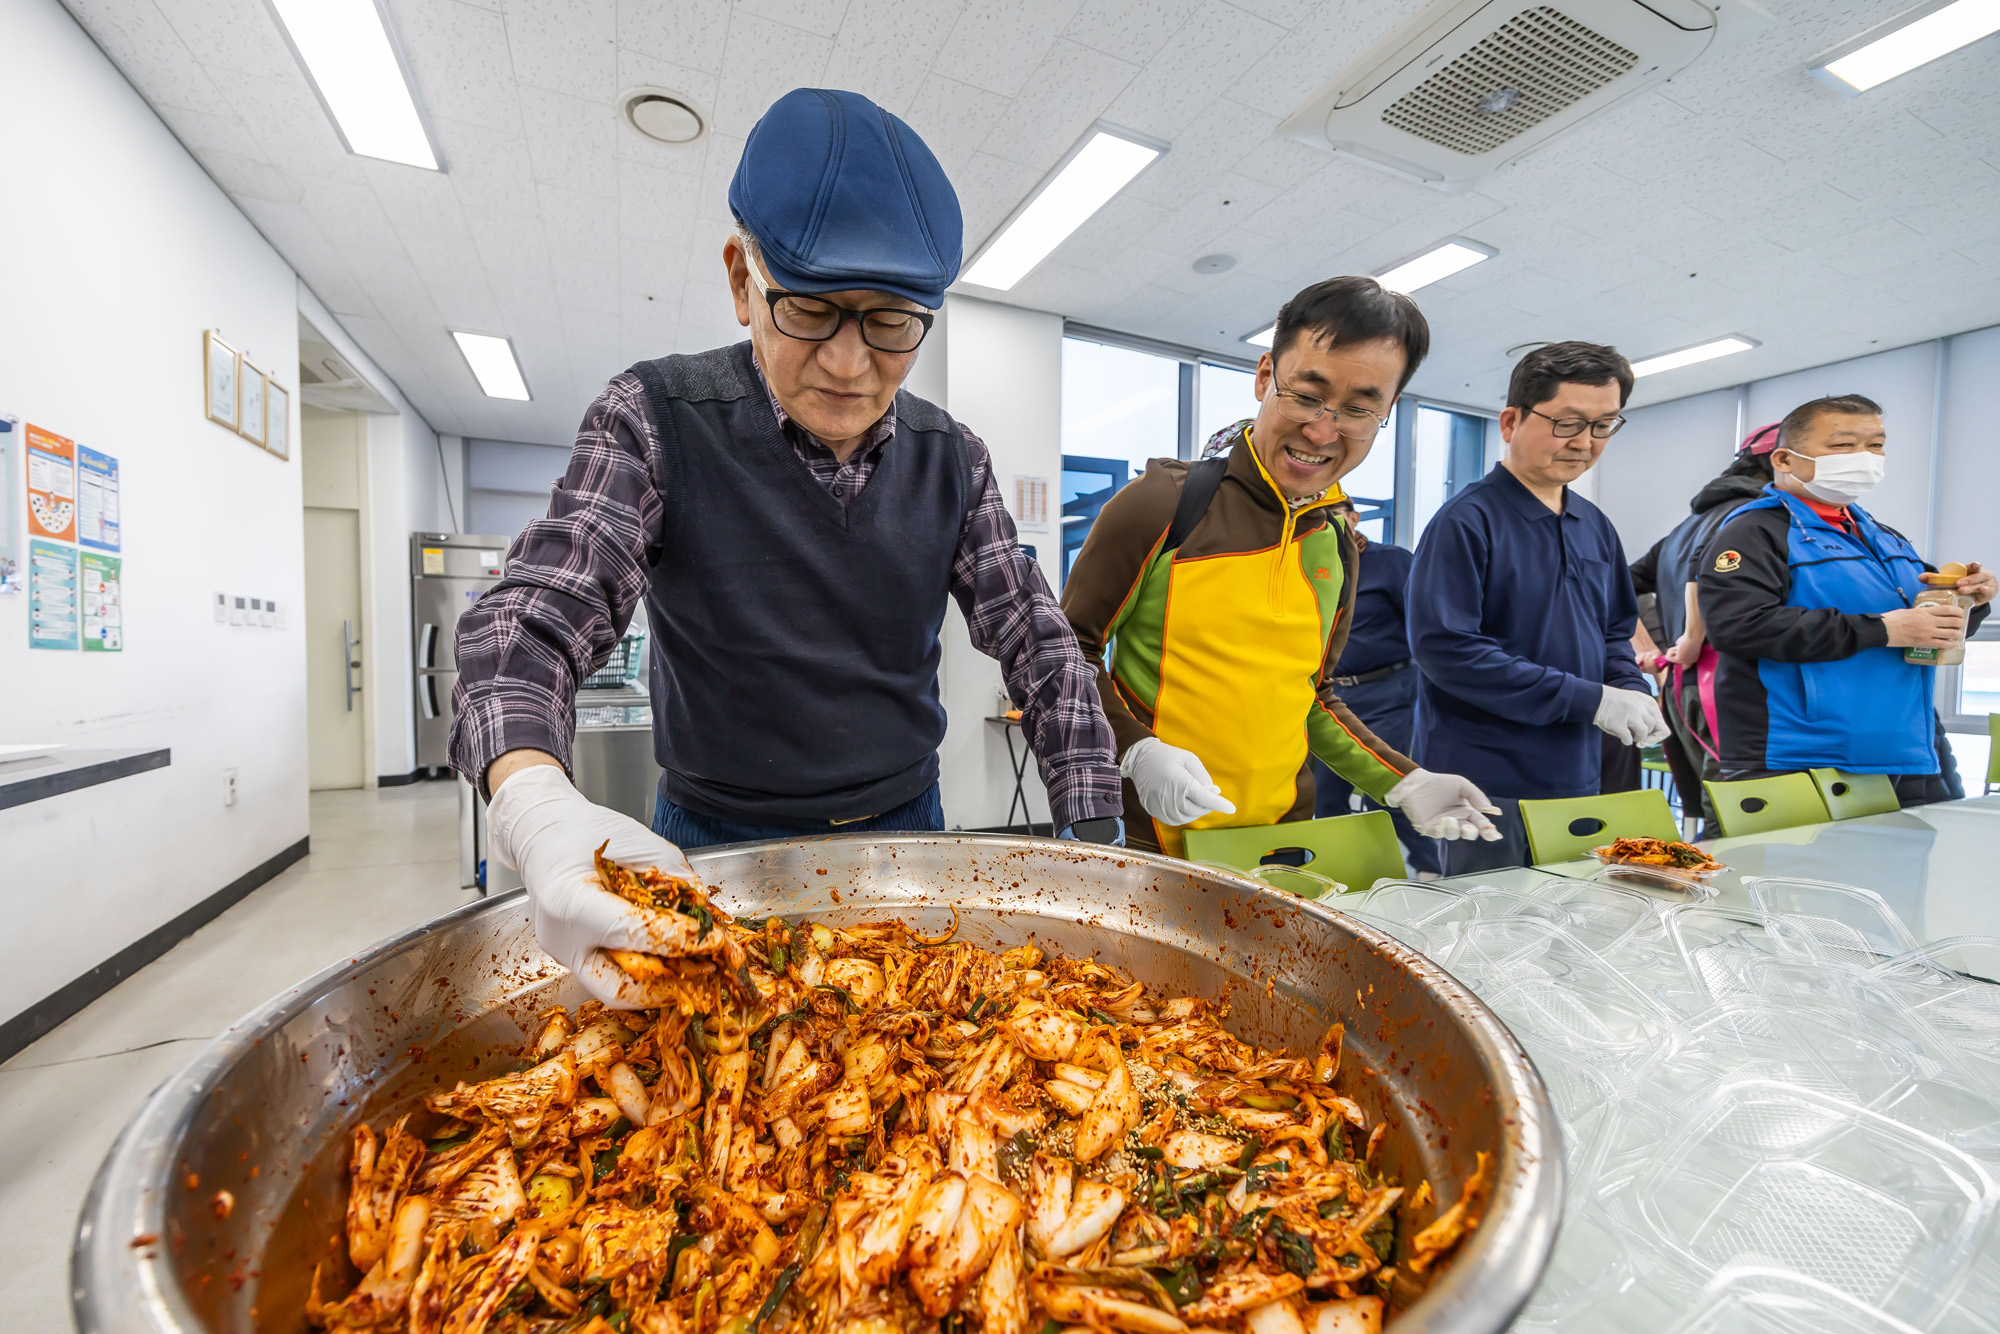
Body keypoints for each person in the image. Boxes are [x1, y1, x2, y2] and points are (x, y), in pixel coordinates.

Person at [449, 89, 1126, 1009]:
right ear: (743, 281)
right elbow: (529, 621)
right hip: (714, 840)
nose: (849, 365)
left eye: (891, 323)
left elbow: (1041, 646)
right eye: (808, 310)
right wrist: (533, 801)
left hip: (905, 831)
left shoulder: (953, 459)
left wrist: (1095, 832)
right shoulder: (655, 420)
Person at [1061, 277, 1499, 859]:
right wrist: (1135, 750)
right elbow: (1065, 653)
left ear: (1386, 412)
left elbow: (1312, 697)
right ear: (1266, 375)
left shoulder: (1336, 541)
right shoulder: (1164, 503)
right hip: (1152, 840)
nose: (1321, 431)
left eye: (1358, 409)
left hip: (1282, 843)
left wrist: (1404, 780)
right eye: (1306, 395)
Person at [1407, 341, 1668, 874]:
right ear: (1511, 422)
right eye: (1567, 423)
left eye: (1603, 426)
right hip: (1484, 777)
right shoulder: (1466, 521)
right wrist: (1590, 698)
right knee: (1492, 916)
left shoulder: (1594, 525)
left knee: (1572, 908)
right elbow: (1448, 650)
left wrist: (1631, 692)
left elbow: (1614, 632)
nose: (1585, 442)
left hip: (1575, 769)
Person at [1697, 394, 1995, 805]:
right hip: (1803, 754)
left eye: (1875, 445)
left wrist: (1968, 601)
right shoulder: (1755, 532)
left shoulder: (1885, 538)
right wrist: (1884, 630)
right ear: (1784, 459)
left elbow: (1925, 624)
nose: (1864, 457)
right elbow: (1740, 627)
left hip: (1905, 746)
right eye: (1843, 445)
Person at [1632, 423, 1782, 833]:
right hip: (1734, 690)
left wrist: (1657, 654)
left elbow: (1615, 587)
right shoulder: (1758, 520)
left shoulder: (1683, 529)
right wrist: (1679, 642)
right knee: (1743, 820)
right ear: (1779, 461)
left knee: (1722, 812)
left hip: (1686, 692)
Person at [1307, 499, 1442, 875]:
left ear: (1355, 518)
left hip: (1391, 690)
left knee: (1385, 787)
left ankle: (1431, 866)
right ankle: (1341, 874)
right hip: (1335, 695)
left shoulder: (1392, 562)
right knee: (1327, 794)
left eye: (1336, 516)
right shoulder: (1314, 563)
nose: (1329, 525)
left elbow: (1425, 625)